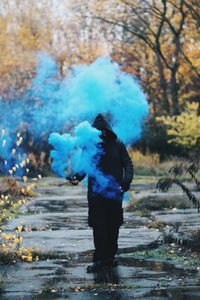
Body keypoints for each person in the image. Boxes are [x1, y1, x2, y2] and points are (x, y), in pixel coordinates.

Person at [68, 114, 133, 272]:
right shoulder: (89, 146)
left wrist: (125, 184)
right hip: (96, 195)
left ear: (108, 130)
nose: (101, 134)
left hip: (114, 194)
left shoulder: (118, 144)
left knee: (113, 225)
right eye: (98, 131)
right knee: (98, 226)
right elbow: (83, 167)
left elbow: (128, 164)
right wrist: (76, 177)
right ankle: (100, 259)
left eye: (103, 131)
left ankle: (109, 258)